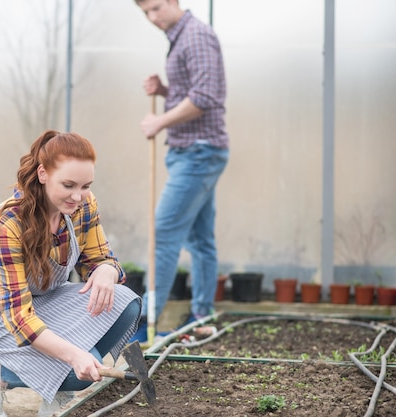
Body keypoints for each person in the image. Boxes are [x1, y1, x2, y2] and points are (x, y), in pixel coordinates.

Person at [0, 130, 141, 417]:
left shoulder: (83, 205)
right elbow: (18, 317)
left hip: (45, 297)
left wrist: (106, 270)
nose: (77, 196)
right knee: (77, 369)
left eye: (86, 186)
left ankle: (57, 391)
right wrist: (73, 354)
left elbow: (101, 258)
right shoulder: (6, 224)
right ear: (43, 174)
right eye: (68, 185)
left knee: (125, 302)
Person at [131, 0, 229, 342]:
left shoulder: (196, 36)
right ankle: (202, 317)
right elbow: (192, 93)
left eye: (156, 8)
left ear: (174, 1)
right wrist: (165, 92)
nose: (152, 18)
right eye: (145, 13)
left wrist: (160, 120)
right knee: (201, 239)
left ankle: (143, 325)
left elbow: (205, 97)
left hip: (198, 153)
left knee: (163, 233)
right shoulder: (180, 36)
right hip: (197, 151)